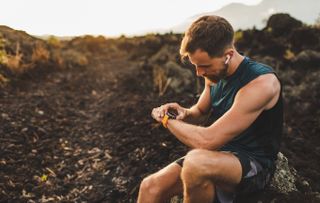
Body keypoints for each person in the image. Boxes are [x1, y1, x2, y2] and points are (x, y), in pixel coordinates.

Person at [137, 15, 283, 203]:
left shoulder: (261, 83)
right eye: (195, 66)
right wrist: (182, 113)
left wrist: (167, 121)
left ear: (228, 55)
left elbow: (207, 141)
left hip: (254, 164)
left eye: (204, 66)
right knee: (150, 187)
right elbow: (200, 113)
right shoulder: (214, 74)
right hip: (221, 155)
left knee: (196, 163)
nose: (199, 73)